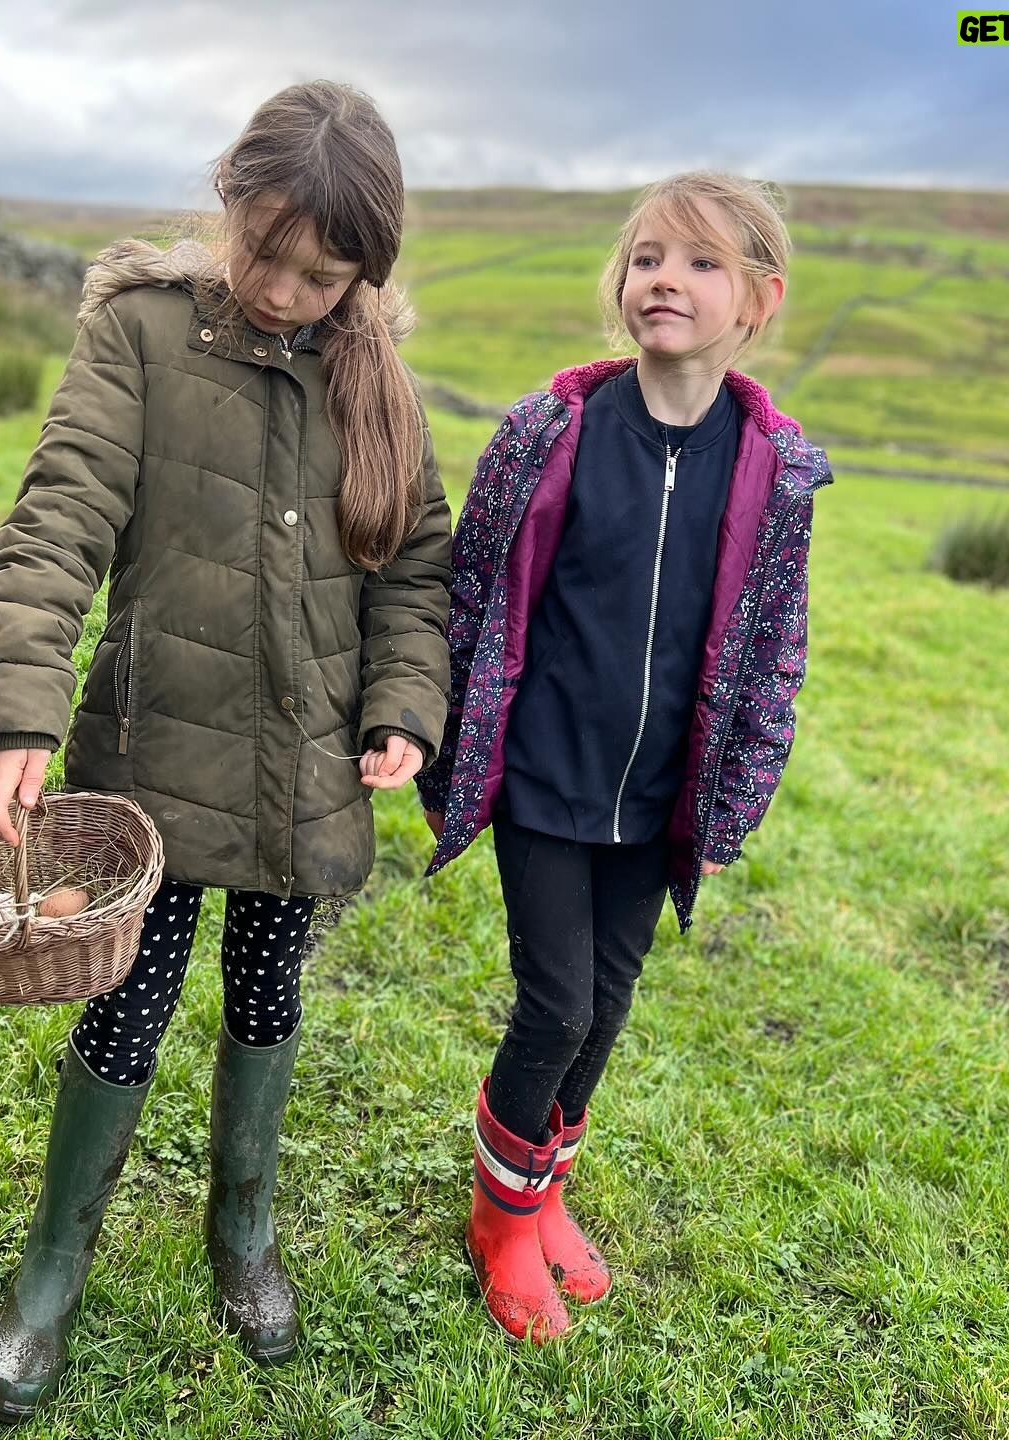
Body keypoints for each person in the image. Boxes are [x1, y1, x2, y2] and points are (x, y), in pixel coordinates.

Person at [0, 81, 451, 1420]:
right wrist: (20, 704)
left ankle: (243, 1235)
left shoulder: (382, 387)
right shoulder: (138, 336)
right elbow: (60, 515)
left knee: (269, 994)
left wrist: (403, 706)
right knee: (128, 997)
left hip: (305, 778)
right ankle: (52, 1265)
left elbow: (416, 571)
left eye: (325, 272)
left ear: (366, 268)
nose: (290, 291)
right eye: (269, 254)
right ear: (228, 205)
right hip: (159, 758)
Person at [417, 172, 831, 1343]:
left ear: (758, 298)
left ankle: (540, 1195)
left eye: (702, 263)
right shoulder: (551, 431)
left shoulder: (777, 470)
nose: (667, 280)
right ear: (620, 281)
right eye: (648, 256)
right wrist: (445, 739)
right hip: (545, 779)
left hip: (659, 798)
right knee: (554, 1006)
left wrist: (741, 783)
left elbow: (775, 648)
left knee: (609, 1003)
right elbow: (471, 596)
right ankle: (499, 1221)